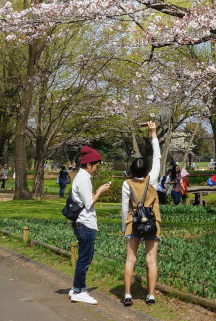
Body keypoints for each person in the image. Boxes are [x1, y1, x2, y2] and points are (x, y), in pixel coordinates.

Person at [121, 121, 161, 307]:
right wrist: (153, 134)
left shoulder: (126, 184)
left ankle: (128, 294)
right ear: (146, 170)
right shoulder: (152, 179)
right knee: (151, 260)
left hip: (133, 222)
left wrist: (124, 227)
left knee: (131, 259)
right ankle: (150, 295)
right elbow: (158, 157)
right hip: (152, 221)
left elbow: (123, 208)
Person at [69, 145, 112, 305]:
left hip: (81, 222)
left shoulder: (80, 177)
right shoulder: (84, 179)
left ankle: (76, 288)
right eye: (96, 167)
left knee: (84, 257)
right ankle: (79, 290)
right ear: (88, 165)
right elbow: (88, 203)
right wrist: (100, 191)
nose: (96, 170)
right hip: (85, 223)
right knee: (85, 259)